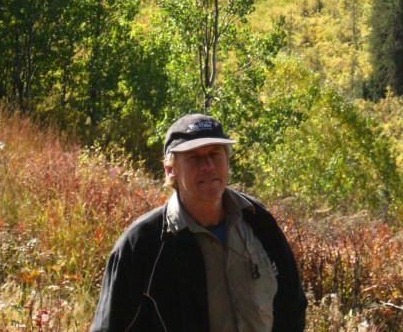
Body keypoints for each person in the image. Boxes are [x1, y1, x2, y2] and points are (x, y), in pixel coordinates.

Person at [90, 113, 307, 331]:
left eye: (215, 154)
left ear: (227, 160)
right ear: (170, 169)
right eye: (194, 157)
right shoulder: (142, 245)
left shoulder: (258, 221)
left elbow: (292, 305)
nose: (208, 165)